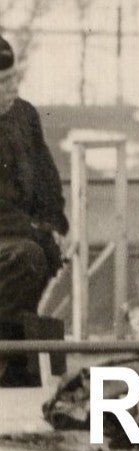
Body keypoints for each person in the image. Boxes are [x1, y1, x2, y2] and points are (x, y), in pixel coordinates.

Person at [0, 35, 68, 382]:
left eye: (13, 79)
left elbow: (46, 179)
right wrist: (37, 234)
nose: (11, 89)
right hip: (11, 240)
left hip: (23, 236)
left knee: (41, 256)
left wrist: (54, 223)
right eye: (1, 83)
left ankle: (17, 361)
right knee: (28, 258)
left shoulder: (23, 115)